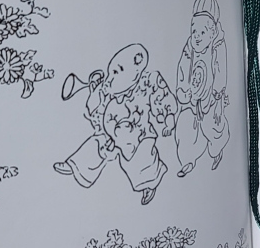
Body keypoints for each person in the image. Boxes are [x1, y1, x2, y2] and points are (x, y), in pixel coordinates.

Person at [54, 44, 176, 204]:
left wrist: (168, 118)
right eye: (111, 72)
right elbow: (95, 111)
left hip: (139, 135)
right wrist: (94, 92)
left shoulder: (147, 83)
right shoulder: (107, 89)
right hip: (110, 134)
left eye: (117, 72)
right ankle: (76, 166)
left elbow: (162, 97)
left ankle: (149, 184)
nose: (111, 77)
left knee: (142, 160)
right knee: (95, 145)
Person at [173, 0, 229, 177]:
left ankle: (217, 149)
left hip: (211, 98)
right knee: (185, 123)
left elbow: (220, 70)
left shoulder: (217, 46)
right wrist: (182, 89)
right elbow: (183, 68)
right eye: (194, 31)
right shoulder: (190, 47)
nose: (197, 36)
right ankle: (187, 159)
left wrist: (217, 94)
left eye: (202, 32)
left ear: (212, 33)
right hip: (193, 95)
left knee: (212, 126)